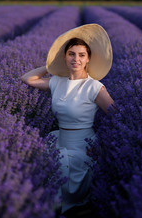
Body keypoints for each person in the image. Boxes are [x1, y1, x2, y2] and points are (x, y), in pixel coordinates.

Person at [21, 24, 115, 216]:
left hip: (83, 145)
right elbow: (27, 78)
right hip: (59, 140)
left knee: (64, 180)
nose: (76, 59)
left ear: (88, 59)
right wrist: (49, 66)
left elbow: (116, 115)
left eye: (81, 55)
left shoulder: (94, 87)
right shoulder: (57, 82)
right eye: (71, 54)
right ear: (65, 57)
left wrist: (103, 145)